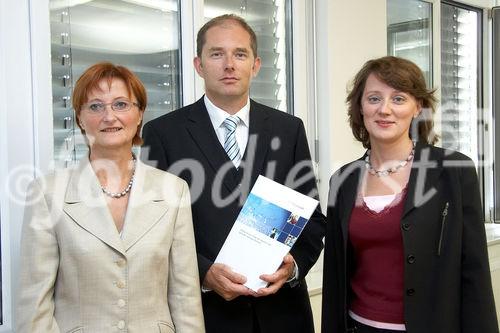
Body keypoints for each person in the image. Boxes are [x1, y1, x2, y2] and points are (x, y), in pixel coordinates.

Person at [142, 14, 325, 333]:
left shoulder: (289, 129)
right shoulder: (163, 134)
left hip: (282, 316)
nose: (229, 64)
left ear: (255, 65)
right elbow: (152, 228)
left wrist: (292, 266)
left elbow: (312, 218)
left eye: (240, 54)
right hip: (206, 317)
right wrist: (204, 274)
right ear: (199, 65)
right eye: (217, 54)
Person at [17, 62, 205, 332]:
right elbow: (34, 306)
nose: (109, 116)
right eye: (95, 106)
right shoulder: (47, 193)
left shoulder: (173, 190)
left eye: (121, 104)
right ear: (80, 118)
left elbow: (185, 297)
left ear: (139, 114)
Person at [321, 56, 498, 333]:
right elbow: (334, 276)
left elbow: (474, 274)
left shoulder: (453, 172)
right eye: (374, 98)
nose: (385, 109)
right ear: (360, 107)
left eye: (399, 99)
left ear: (418, 107)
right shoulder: (342, 181)